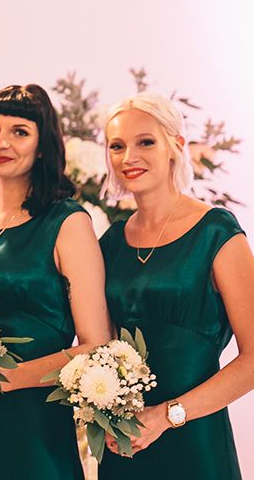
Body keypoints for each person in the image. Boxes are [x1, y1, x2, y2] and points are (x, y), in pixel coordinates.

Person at [0, 84, 113, 480]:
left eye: (19, 131)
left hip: (35, 430)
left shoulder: (68, 223)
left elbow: (96, 345)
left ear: (42, 145)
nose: (0, 141)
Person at [99, 92, 254, 479]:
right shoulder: (110, 243)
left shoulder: (217, 232)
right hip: (125, 442)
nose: (128, 157)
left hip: (195, 440)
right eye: (117, 146)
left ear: (175, 147)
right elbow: (99, 347)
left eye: (145, 142)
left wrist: (168, 416)